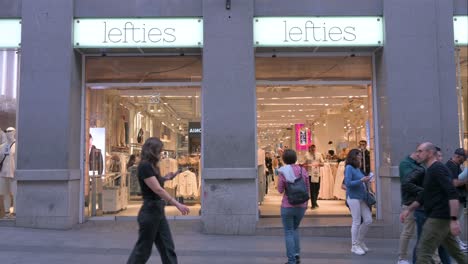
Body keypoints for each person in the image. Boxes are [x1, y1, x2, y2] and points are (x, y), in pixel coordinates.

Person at [400, 142, 466, 264]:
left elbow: (452, 193)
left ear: (430, 153)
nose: (417, 154)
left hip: (438, 218)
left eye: (420, 151)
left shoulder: (438, 169)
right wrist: (409, 209)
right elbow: (424, 195)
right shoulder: (430, 170)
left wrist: (454, 220)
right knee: (455, 252)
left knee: (423, 252)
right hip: (439, 217)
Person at [127, 137, 190, 264]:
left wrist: (166, 178)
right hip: (150, 211)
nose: (161, 154)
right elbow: (157, 189)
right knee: (143, 250)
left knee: (167, 247)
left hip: (157, 211)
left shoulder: (151, 166)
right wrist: (178, 204)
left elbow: (157, 183)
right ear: (153, 151)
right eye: (159, 151)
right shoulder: (145, 166)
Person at [277, 149, 309, 264]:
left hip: (288, 205)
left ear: (284, 159)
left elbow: (280, 190)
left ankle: (291, 260)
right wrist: (306, 204)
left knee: (289, 231)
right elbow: (307, 187)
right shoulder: (302, 170)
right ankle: (297, 255)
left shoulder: (283, 171)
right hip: (301, 206)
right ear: (295, 158)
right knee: (295, 229)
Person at [344, 149, 373, 255]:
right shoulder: (349, 168)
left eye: (361, 155)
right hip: (353, 197)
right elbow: (347, 183)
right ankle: (354, 245)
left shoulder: (357, 168)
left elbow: (361, 181)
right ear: (353, 157)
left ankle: (359, 241)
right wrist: (361, 180)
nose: (361, 157)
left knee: (368, 220)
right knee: (356, 221)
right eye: (359, 155)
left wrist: (367, 180)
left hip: (362, 197)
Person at [397, 150, 422, 264]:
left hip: (419, 201)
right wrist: (424, 190)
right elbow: (407, 182)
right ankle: (401, 257)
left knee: (425, 231)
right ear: (417, 153)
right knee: (408, 231)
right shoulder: (405, 164)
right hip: (410, 201)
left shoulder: (418, 165)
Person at [445, 148, 467, 252]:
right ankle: (456, 244)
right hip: (456, 198)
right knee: (454, 222)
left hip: (460, 197)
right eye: (462, 160)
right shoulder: (450, 166)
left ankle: (457, 242)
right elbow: (454, 183)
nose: (462, 162)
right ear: (457, 156)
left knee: (455, 221)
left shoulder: (456, 165)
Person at [302, 145, 324, 209]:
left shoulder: (319, 154)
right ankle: (313, 204)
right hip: (310, 174)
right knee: (312, 189)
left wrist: (318, 164)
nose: (313, 149)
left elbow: (323, 163)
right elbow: (303, 164)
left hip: (317, 174)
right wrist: (308, 165)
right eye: (312, 148)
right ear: (310, 148)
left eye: (314, 147)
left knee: (317, 189)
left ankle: (315, 201)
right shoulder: (306, 155)